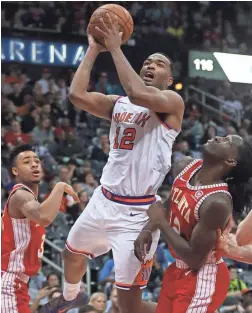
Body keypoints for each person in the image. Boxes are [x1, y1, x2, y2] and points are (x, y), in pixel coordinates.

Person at [43, 12, 184, 313]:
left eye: (158, 64)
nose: (149, 65)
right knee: (71, 253)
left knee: (127, 304)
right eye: (147, 61)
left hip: (137, 214)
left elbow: (138, 91)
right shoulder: (118, 104)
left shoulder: (172, 103)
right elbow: (76, 94)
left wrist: (116, 47)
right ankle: (72, 296)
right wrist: (94, 47)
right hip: (104, 200)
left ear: (169, 80)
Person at [134, 136, 252, 313]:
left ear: (230, 160)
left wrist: (161, 223)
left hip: (203, 276)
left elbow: (195, 260)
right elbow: (171, 203)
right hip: (177, 269)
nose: (219, 137)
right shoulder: (185, 166)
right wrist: (148, 228)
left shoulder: (217, 202)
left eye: (227, 142)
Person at [1, 144, 80, 313]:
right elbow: (44, 217)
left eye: (37, 161)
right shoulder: (21, 195)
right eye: (27, 162)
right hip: (8, 283)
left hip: (19, 283)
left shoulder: (30, 199)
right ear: (15, 171)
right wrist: (59, 187)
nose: (35, 164)